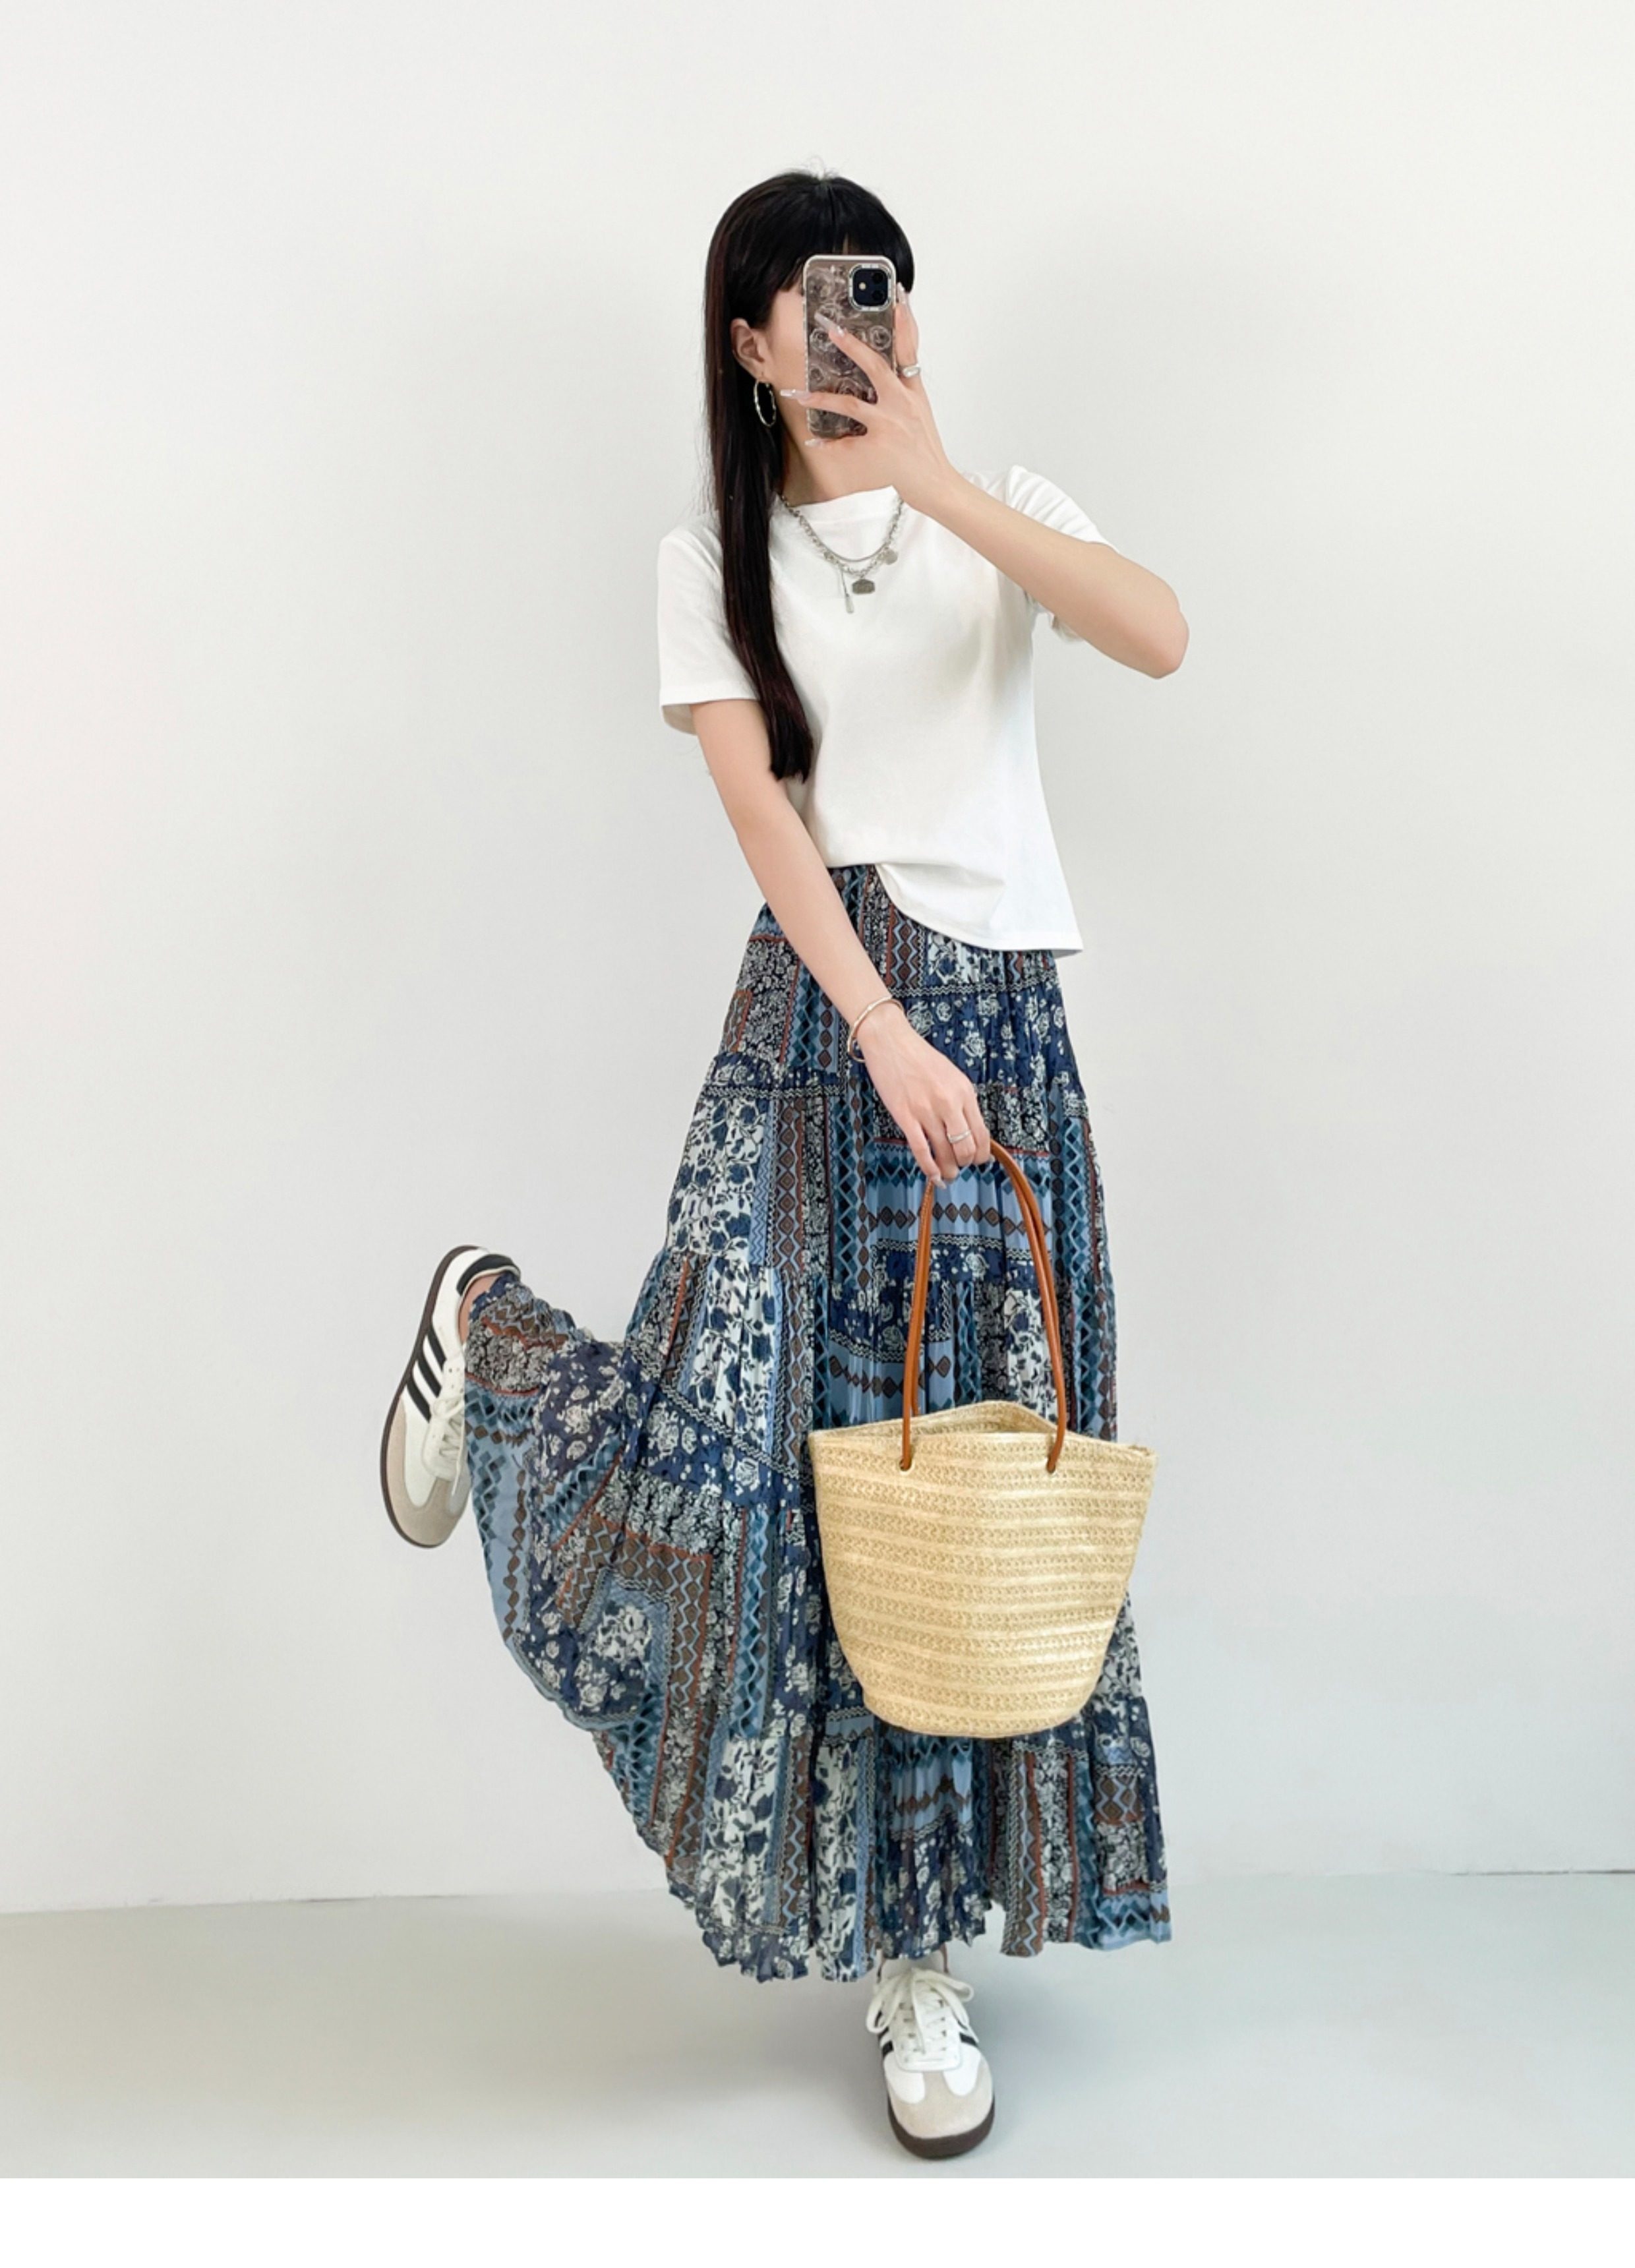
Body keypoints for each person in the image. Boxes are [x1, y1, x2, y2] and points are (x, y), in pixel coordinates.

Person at [378, 167, 1186, 2162]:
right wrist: (885, 1033)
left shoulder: (996, 503)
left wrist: (938, 475)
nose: (853, 328)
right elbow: (763, 817)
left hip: (1007, 1034)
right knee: (744, 1470)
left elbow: (1158, 637)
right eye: (813, 305)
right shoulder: (712, 561)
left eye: (877, 292)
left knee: (962, 1482)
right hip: (830, 1022)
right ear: (749, 344)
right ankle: (493, 1335)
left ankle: (919, 1958)